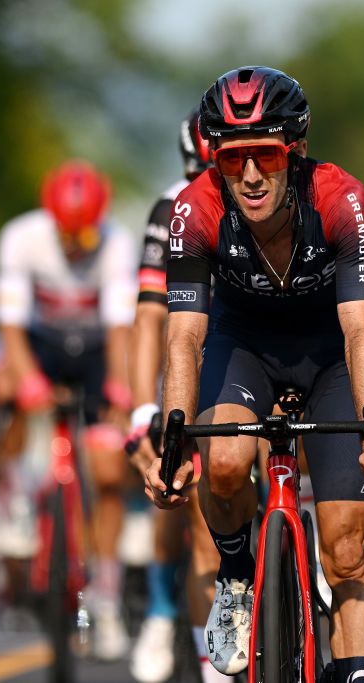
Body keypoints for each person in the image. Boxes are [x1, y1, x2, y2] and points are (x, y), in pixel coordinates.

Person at [143, 66, 364, 682]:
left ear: (295, 150)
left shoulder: (343, 200)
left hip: (329, 355)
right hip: (244, 348)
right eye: (233, 160)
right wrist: (173, 439)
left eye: (265, 154)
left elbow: (362, 332)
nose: (252, 175)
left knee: (346, 554)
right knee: (229, 463)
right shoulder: (195, 209)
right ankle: (237, 575)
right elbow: (184, 338)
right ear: (214, 161)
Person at [0, 160, 138, 660]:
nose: (75, 242)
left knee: (108, 467)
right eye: (66, 231)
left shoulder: (118, 244)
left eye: (85, 232)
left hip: (96, 349)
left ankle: (109, 599)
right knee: (4, 383)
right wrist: (28, 380)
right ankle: (12, 496)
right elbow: (10, 326)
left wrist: (120, 386)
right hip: (44, 344)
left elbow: (121, 329)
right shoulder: (20, 238)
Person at [125, 108, 231, 683]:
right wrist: (143, 409)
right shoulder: (170, 210)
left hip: (245, 352)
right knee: (181, 482)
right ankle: (166, 615)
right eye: (201, 172)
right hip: (187, 354)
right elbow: (149, 319)